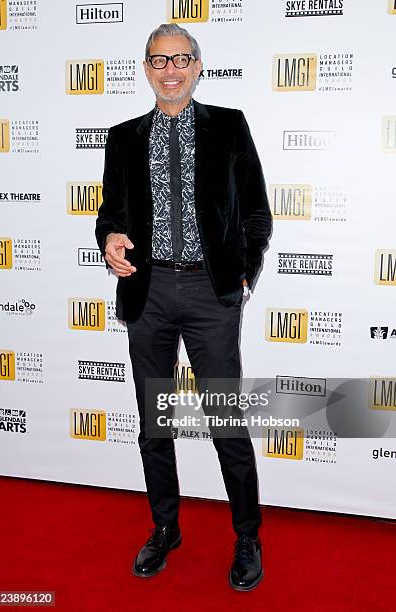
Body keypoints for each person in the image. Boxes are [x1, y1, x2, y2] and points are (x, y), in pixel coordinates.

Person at [95, 23, 272, 591]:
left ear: (198, 65)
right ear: (145, 69)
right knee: (154, 424)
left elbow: (256, 213)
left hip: (209, 293)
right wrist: (110, 240)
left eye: (181, 59)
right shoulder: (122, 137)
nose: (170, 70)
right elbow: (110, 215)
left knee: (225, 421)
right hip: (146, 295)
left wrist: (241, 275)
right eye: (158, 61)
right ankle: (165, 527)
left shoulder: (229, 126)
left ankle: (247, 535)